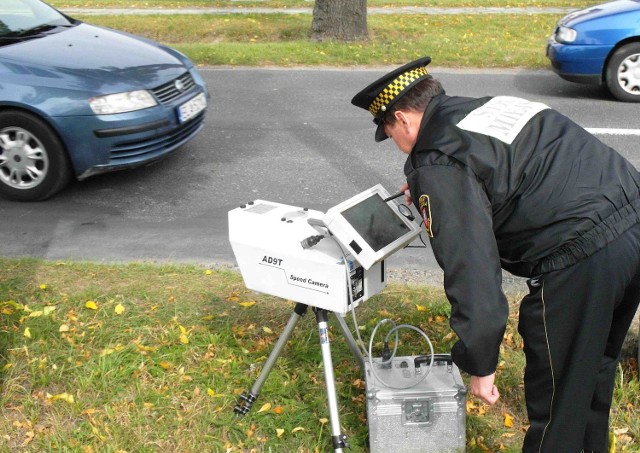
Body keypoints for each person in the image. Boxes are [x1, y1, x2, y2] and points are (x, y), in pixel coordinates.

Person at [351, 56, 640, 453]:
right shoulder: (486, 105)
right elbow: (507, 164)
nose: (395, 143)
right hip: (633, 219)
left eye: (388, 131)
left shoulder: (437, 163)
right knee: (593, 369)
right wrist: (442, 189)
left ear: (401, 118)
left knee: (558, 401)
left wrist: (480, 363)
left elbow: (471, 270)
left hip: (583, 256)